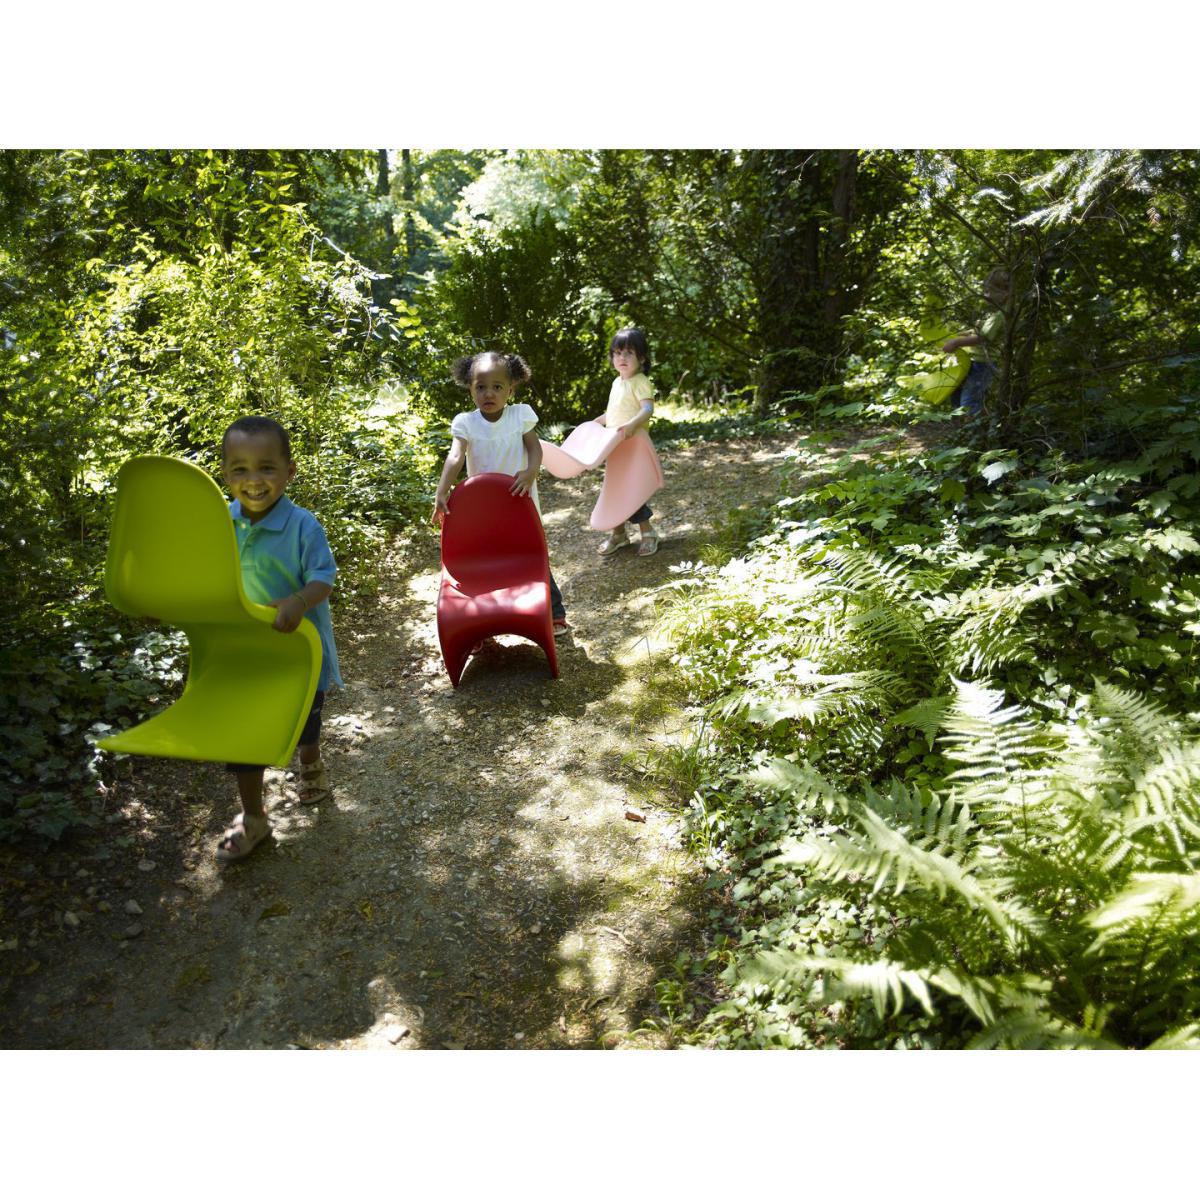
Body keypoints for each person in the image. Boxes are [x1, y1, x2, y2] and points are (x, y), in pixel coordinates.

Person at [215, 415, 342, 862]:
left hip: (299, 654)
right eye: (240, 469)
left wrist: (298, 600)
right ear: (225, 473)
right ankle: (253, 818)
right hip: (247, 653)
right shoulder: (218, 522)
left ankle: (310, 762)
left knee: (304, 723)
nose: (254, 480)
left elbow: (324, 577)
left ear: (289, 471)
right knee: (245, 735)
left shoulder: (303, 525)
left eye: (266, 467)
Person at [432, 350, 568, 635]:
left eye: (497, 386)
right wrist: (441, 491)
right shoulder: (466, 423)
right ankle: (481, 622)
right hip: (486, 508)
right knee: (488, 558)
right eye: (481, 387)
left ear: (510, 389)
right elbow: (455, 457)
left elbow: (534, 448)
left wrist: (531, 471)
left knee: (532, 553)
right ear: (470, 389)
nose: (489, 393)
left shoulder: (519, 416)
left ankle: (554, 613)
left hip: (520, 499)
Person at [592, 327, 661, 556]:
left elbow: (647, 409)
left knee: (631, 491)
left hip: (633, 447)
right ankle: (619, 534)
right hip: (615, 447)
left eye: (629, 353)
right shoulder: (616, 383)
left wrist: (632, 425)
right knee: (614, 490)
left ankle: (648, 532)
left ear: (641, 358)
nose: (622, 357)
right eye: (617, 353)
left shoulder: (640, 381)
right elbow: (614, 413)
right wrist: (598, 422)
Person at [943, 269, 1010, 416]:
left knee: (970, 401)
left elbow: (982, 338)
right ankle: (968, 424)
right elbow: (979, 330)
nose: (986, 295)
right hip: (973, 361)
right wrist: (964, 333)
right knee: (958, 394)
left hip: (983, 364)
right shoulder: (992, 311)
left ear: (1005, 292)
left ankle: (974, 427)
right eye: (985, 290)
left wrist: (956, 342)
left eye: (990, 291)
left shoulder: (1000, 314)